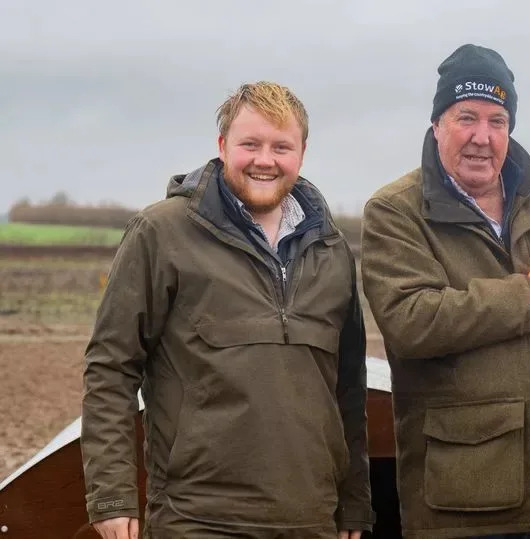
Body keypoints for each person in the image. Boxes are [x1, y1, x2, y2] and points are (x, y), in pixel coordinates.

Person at [81, 82, 374, 538]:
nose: (265, 159)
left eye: (281, 146)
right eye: (250, 144)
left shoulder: (331, 249)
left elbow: (348, 389)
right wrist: (112, 494)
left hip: (310, 518)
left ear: (301, 153)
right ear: (222, 146)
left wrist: (354, 503)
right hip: (198, 518)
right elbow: (111, 367)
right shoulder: (161, 234)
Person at [361, 44, 530, 539]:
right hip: (466, 501)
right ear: (437, 123)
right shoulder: (396, 211)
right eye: (466, 117)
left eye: (497, 121)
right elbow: (412, 322)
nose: (482, 137)